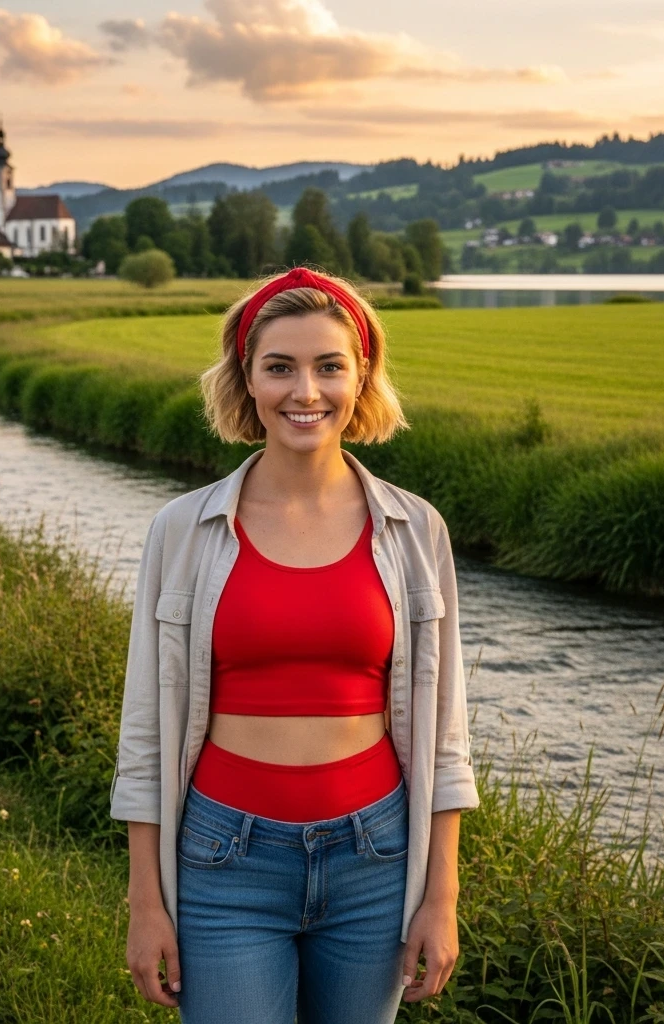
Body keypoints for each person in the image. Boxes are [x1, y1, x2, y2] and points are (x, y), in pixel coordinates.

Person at [110, 265, 480, 1023]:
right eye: (279, 367)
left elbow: (446, 736)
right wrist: (145, 903)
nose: (304, 391)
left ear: (361, 375)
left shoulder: (417, 532)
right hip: (225, 860)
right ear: (247, 379)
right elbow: (144, 732)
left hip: (374, 862)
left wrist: (440, 899)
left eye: (328, 366)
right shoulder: (183, 531)